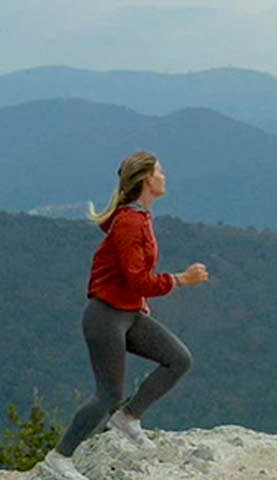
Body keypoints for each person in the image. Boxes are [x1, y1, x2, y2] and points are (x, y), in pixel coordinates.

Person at [39, 151, 210, 480]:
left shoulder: (139, 217)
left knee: (178, 358)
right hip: (105, 316)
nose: (165, 176)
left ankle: (128, 418)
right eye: (160, 171)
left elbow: (128, 276)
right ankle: (59, 457)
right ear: (146, 179)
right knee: (108, 394)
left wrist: (140, 300)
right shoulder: (130, 222)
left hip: (127, 313)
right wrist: (181, 279)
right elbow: (136, 278)